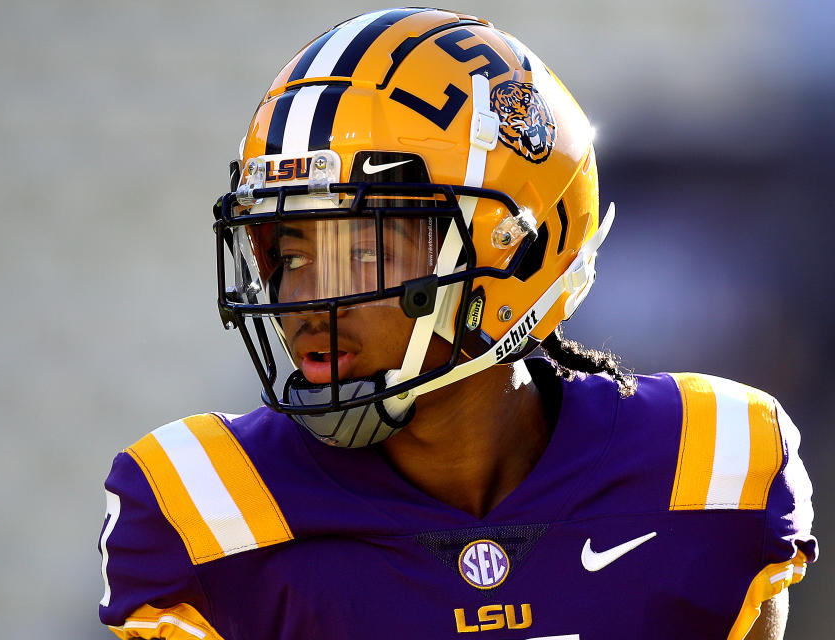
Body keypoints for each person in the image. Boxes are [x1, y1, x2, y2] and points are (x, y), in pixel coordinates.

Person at [97, 8, 816, 639]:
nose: (306, 303)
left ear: (513, 251)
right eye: (287, 252)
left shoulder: (706, 467)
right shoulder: (209, 510)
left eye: (359, 252)